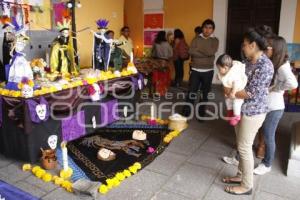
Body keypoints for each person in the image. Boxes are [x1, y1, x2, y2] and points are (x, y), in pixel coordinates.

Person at [222, 27, 274, 195]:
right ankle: (240, 175)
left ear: (252, 45)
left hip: (254, 112)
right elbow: (234, 79)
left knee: (244, 147)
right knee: (241, 144)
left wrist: (231, 92)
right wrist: (227, 84)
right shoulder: (246, 63)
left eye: (244, 44)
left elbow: (251, 92)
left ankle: (246, 185)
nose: (242, 47)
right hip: (241, 109)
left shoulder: (265, 65)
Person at [253, 36, 298, 175]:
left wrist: (277, 87)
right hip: (267, 105)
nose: (267, 48)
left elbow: (293, 84)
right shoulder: (274, 63)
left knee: (268, 135)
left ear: (276, 49)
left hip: (275, 108)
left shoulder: (283, 67)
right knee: (259, 131)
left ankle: (267, 164)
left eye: (269, 46)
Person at [182, 19, 219, 119]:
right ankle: (186, 111)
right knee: (191, 92)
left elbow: (211, 52)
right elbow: (191, 51)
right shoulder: (196, 39)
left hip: (208, 71)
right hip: (195, 70)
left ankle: (201, 112)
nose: (207, 30)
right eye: (205, 27)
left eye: (210, 28)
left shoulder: (215, 40)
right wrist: (204, 53)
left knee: (204, 93)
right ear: (202, 28)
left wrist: (198, 49)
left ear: (213, 30)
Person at [216, 54, 247, 126]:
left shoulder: (233, 73)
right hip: (229, 89)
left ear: (226, 68)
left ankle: (237, 116)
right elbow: (221, 76)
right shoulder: (224, 72)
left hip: (238, 90)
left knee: (236, 103)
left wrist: (233, 93)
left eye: (219, 68)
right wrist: (218, 76)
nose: (219, 70)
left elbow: (236, 83)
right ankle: (230, 111)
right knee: (227, 100)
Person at [150, 31, 173, 95]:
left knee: (157, 77)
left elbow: (152, 53)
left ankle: (157, 91)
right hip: (165, 62)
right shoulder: (167, 44)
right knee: (164, 77)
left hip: (157, 62)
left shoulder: (155, 43)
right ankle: (163, 91)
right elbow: (171, 54)